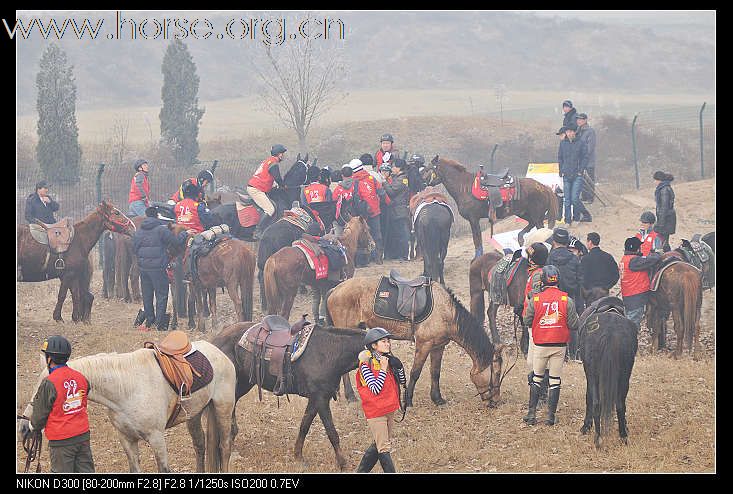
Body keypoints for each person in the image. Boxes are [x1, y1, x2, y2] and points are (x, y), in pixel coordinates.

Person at [23, 336, 95, 472]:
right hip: (83, 436)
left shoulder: (49, 382)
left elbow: (38, 418)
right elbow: (85, 393)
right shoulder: (80, 377)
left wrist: (32, 427)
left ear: (49, 358)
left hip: (61, 441)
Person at [523, 265, 579, 426]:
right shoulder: (566, 300)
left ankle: (531, 414)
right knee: (555, 380)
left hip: (541, 344)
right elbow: (574, 324)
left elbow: (527, 321)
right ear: (557, 280)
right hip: (559, 346)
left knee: (536, 378)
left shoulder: (536, 299)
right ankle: (550, 417)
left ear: (542, 281)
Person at [355, 327, 406, 473]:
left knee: (379, 444)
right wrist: (383, 369)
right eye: (383, 341)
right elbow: (375, 389)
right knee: (383, 448)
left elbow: (402, 382)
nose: (388, 343)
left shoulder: (387, 360)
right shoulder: (366, 365)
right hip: (376, 412)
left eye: (388, 341)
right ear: (373, 345)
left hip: (389, 409)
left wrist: (399, 367)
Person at [133, 206, 189, 331]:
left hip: (144, 269)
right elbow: (175, 242)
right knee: (161, 295)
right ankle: (159, 324)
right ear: (157, 216)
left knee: (147, 295)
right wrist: (185, 234)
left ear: (146, 216)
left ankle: (149, 321)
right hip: (158, 268)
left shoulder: (139, 231)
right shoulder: (161, 230)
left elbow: (134, 249)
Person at [547, 227, 583, 359]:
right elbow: (580, 281)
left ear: (554, 241)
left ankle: (559, 354)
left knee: (555, 325)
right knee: (572, 325)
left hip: (553, 297)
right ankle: (573, 354)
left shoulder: (549, 258)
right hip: (570, 297)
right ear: (567, 242)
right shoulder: (574, 259)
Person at [522, 242, 550, 403]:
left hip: (536, 323)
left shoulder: (538, 275)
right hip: (532, 322)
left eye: (530, 256)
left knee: (535, 360)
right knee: (533, 360)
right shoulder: (534, 273)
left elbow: (536, 298)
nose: (528, 259)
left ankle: (540, 394)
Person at [619, 236, 662, 329]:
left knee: (630, 319)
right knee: (633, 324)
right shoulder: (634, 260)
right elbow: (653, 260)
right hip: (636, 296)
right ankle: (630, 341)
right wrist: (657, 253)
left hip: (628, 295)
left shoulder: (624, 259)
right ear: (636, 248)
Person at [352, 159, 389, 264]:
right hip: (375, 211)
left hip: (362, 214)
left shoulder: (354, 182)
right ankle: (378, 258)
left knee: (363, 236)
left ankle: (366, 259)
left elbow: (354, 198)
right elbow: (382, 193)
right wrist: (387, 203)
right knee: (377, 234)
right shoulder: (371, 178)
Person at [248, 144, 288, 240]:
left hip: (255, 187)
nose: (283, 155)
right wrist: (283, 186)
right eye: (283, 153)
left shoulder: (268, 161)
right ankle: (257, 231)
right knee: (270, 209)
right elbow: (277, 177)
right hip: (256, 190)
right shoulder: (273, 162)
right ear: (280, 155)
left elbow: (269, 178)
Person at [558, 125, 592, 225]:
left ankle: (577, 217)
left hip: (577, 175)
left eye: (571, 131)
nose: (569, 133)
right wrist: (561, 170)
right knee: (567, 200)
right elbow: (560, 157)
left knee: (574, 198)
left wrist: (581, 170)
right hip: (566, 174)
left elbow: (585, 157)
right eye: (567, 131)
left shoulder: (581, 143)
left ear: (575, 132)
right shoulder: (563, 143)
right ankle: (567, 220)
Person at [383, 159, 411, 261]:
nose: (392, 169)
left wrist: (384, 181)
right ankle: (395, 254)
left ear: (399, 168)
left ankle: (403, 255)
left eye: (394, 167)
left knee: (401, 234)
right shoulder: (398, 178)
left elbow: (392, 191)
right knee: (396, 233)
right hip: (395, 210)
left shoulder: (402, 179)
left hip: (399, 211)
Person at [575, 113, 597, 203]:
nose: (578, 121)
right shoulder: (578, 131)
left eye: (580, 119)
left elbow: (590, 147)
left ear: (585, 120)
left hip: (589, 161)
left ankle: (590, 197)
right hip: (580, 161)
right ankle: (584, 196)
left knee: (589, 179)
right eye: (578, 119)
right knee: (582, 179)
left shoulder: (590, 131)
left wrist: (583, 156)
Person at [653, 171, 676, 252]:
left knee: (662, 241)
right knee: (664, 241)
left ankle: (668, 256)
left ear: (659, 180)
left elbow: (664, 207)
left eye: (655, 180)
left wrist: (660, 224)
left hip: (666, 219)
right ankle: (668, 255)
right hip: (667, 218)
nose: (654, 182)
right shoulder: (664, 188)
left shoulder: (664, 189)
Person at [333, 164, 357, 236]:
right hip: (356, 218)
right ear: (352, 174)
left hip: (342, 219)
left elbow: (334, 202)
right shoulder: (357, 185)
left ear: (342, 176)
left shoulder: (337, 188)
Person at [378, 164, 394, 258]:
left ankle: (387, 252)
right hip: (380, 206)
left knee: (387, 229)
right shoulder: (377, 181)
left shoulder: (391, 181)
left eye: (386, 171)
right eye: (382, 171)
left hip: (388, 207)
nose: (384, 173)